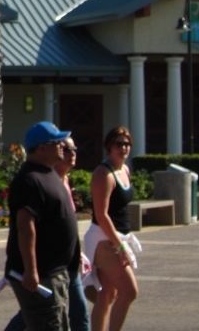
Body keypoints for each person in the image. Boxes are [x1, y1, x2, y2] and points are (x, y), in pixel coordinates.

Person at [3, 135, 90, 331]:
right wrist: (31, 270)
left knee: (62, 322)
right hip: (43, 274)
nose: (62, 146)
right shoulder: (29, 180)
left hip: (60, 271)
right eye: (58, 143)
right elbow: (25, 227)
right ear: (42, 148)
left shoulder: (49, 175)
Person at [84, 126, 140, 331]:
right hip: (104, 239)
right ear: (109, 146)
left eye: (126, 144)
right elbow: (101, 215)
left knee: (107, 294)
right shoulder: (103, 174)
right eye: (118, 144)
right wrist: (121, 246)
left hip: (117, 237)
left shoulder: (125, 170)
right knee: (129, 291)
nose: (123, 148)